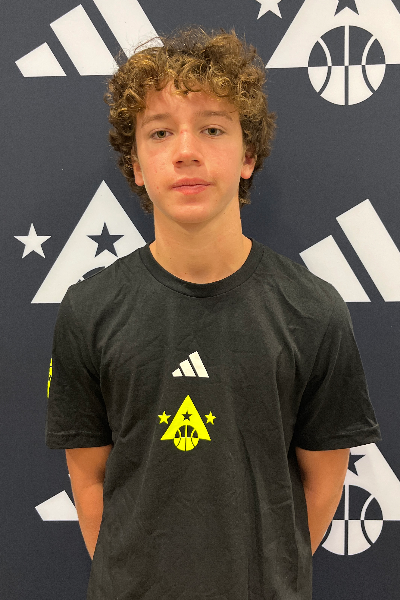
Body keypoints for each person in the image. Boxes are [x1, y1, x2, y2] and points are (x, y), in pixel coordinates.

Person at [45, 26, 381, 600]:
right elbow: (90, 478)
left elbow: (323, 485)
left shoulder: (313, 311)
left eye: (212, 128)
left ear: (248, 155)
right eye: (159, 132)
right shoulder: (89, 310)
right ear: (134, 165)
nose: (186, 150)